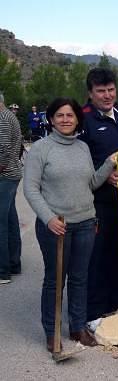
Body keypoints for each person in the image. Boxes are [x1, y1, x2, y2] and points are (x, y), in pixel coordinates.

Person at [23, 97, 116, 351]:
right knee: (55, 281)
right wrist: (49, 218)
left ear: (77, 119)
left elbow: (91, 184)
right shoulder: (41, 149)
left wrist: (109, 164)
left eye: (70, 115)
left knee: (79, 278)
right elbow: (31, 189)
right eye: (60, 115)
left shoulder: (82, 148)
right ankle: (52, 333)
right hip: (56, 226)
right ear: (51, 119)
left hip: (85, 223)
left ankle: (77, 327)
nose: (65, 120)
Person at [80, 68, 118, 327]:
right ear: (90, 93)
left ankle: (117, 304)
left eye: (110, 89)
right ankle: (93, 312)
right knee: (97, 257)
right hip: (96, 203)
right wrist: (103, 177)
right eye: (100, 91)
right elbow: (78, 162)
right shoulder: (83, 119)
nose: (107, 95)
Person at [0, 92, 22, 284]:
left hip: (5, 175)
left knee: (1, 222)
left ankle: (2, 271)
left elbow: (4, 148)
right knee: (10, 219)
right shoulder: (8, 115)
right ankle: (14, 263)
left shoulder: (3, 118)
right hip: (11, 173)